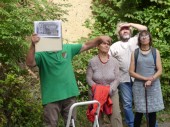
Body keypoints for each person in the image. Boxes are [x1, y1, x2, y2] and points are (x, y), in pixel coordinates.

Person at [26, 34, 112, 127]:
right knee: (51, 124)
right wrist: (33, 45)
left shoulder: (67, 48)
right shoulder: (41, 54)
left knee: (72, 124)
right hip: (51, 97)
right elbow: (30, 63)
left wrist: (99, 38)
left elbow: (87, 45)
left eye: (58, 36)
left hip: (69, 95)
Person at [108, 22, 147, 127]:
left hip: (139, 78)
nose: (125, 30)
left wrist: (130, 24)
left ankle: (151, 124)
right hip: (123, 80)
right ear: (119, 32)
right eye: (122, 29)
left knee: (144, 102)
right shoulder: (114, 46)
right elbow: (107, 61)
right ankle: (131, 125)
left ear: (130, 30)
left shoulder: (136, 40)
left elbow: (144, 28)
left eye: (127, 29)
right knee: (127, 105)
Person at [129, 30, 164, 127]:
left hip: (153, 85)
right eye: (142, 36)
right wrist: (145, 78)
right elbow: (131, 72)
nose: (144, 38)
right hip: (139, 86)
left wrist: (151, 79)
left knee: (152, 112)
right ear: (139, 39)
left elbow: (160, 70)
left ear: (149, 38)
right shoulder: (135, 53)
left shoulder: (155, 51)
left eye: (146, 36)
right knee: (139, 111)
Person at [86, 40, 123, 127]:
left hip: (111, 92)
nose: (107, 46)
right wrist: (96, 88)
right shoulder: (92, 61)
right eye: (104, 43)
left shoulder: (114, 61)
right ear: (98, 46)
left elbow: (117, 78)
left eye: (108, 44)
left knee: (116, 116)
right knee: (97, 117)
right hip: (96, 93)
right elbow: (88, 78)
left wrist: (110, 89)